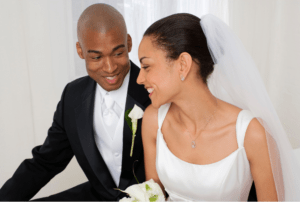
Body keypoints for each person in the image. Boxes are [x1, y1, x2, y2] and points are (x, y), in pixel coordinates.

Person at [137, 13, 300, 201]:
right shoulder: (153, 120)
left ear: (183, 64)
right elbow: (152, 195)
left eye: (146, 66)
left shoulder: (252, 134)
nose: (139, 79)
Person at [0, 3, 150, 201]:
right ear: (80, 51)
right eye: (96, 57)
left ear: (129, 43)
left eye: (118, 53)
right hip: (97, 195)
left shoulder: (153, 90)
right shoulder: (73, 95)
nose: (110, 67)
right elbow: (46, 162)